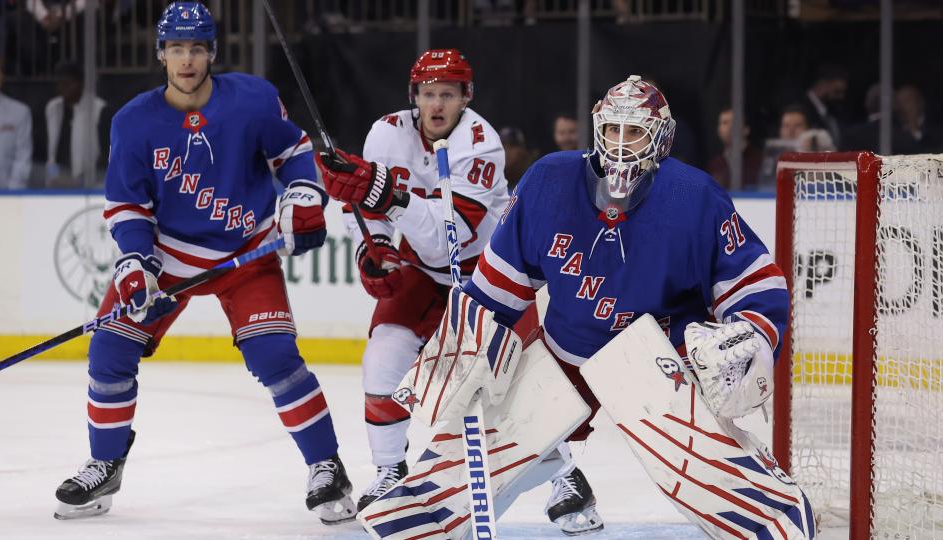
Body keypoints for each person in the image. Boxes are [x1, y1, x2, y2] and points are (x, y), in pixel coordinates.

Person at [53, 2, 357, 525]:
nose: (187, 59)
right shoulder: (133, 122)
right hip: (167, 257)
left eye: (197, 48)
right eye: (176, 49)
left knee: (275, 358)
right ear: (161, 55)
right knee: (108, 350)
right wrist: (134, 261)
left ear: (212, 52)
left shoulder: (254, 100)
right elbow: (128, 205)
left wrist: (305, 192)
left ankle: (327, 467)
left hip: (246, 255)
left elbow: (294, 153)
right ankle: (105, 463)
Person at [459, 76, 789, 535]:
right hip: (566, 351)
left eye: (633, 132)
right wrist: (468, 344)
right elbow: (497, 291)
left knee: (718, 481)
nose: (618, 143)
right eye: (611, 129)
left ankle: (777, 516)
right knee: (459, 474)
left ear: (660, 137)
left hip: (654, 359)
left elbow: (757, 286)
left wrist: (752, 335)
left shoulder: (693, 197)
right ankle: (419, 517)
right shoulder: (549, 181)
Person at [314, 49, 512, 512]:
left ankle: (568, 475)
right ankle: (389, 472)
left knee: (513, 380)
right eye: (428, 94)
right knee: (383, 357)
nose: (437, 105)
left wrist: (387, 194)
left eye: (447, 94)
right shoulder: (387, 132)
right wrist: (373, 246)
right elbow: (363, 205)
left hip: (488, 271)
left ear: (466, 97)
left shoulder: (481, 142)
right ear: (414, 96)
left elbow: (451, 240)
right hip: (421, 269)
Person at [44, 61, 113, 187]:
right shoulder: (53, 108)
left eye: (68, 83)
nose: (63, 88)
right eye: (60, 83)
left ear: (81, 83)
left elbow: (108, 151)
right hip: (57, 177)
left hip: (90, 180)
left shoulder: (99, 109)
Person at [0, 60, 33, 189]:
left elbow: (22, 157)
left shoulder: (19, 112)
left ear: (0, 83)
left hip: (5, 193)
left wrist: (13, 194)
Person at [706, 106, 762, 190]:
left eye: (734, 122)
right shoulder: (714, 164)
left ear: (746, 129)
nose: (730, 127)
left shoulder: (759, 161)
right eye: (725, 123)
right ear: (719, 130)